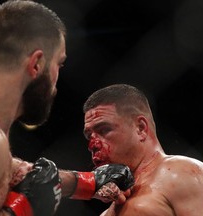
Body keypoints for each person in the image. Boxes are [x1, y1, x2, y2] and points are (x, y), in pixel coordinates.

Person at [0, 1, 134, 216]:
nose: (57, 82)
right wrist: (22, 208)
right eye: (58, 64)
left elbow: (9, 173)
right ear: (37, 64)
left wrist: (88, 183)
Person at [83, 83, 203, 216]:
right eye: (89, 136)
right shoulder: (108, 211)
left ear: (140, 128)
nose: (93, 145)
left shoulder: (181, 173)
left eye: (104, 130)